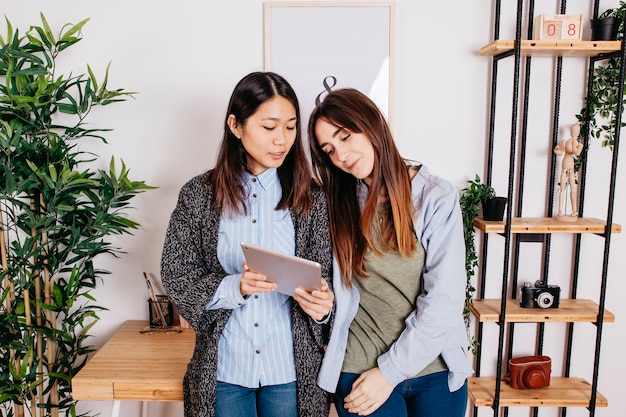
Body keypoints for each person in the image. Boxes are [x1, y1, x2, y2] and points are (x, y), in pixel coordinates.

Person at [161, 72, 335, 417]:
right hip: (225, 370)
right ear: (235, 126)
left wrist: (325, 307)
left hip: (291, 373)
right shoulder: (198, 195)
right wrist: (233, 286)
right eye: (269, 127)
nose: (281, 140)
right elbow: (176, 275)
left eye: (290, 127)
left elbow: (335, 284)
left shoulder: (313, 199)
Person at [309, 88, 473, 417]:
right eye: (329, 150)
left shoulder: (434, 197)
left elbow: (445, 300)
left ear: (371, 124)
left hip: (435, 365)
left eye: (344, 136)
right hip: (359, 367)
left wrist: (389, 373)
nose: (340, 155)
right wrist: (322, 307)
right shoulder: (334, 203)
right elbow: (331, 290)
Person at [554, 123, 584, 218]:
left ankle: (562, 210)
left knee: (565, 188)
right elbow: (577, 153)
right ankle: (570, 210)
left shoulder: (566, 141)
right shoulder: (573, 142)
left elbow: (560, 152)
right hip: (569, 163)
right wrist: (580, 146)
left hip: (566, 162)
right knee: (570, 188)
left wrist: (557, 149)